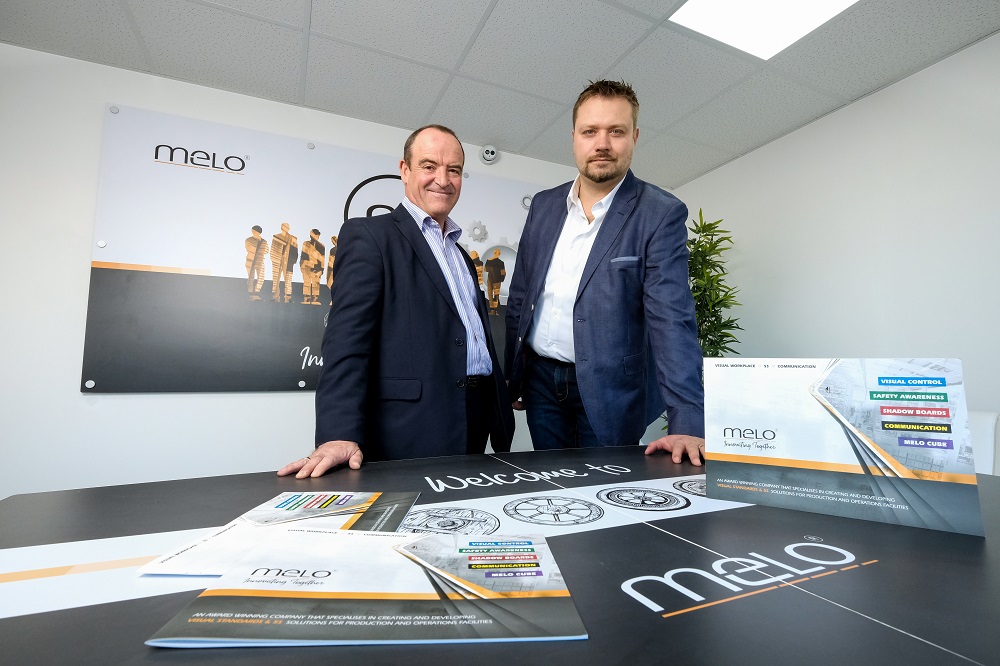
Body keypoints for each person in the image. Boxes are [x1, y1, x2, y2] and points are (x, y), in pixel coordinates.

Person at [279, 125, 514, 478]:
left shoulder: (463, 256)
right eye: (429, 166)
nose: (443, 179)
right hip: (412, 425)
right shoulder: (370, 236)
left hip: (477, 415)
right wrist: (338, 433)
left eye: (454, 170)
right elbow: (347, 342)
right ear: (404, 170)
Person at [504, 80, 706, 466]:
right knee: (553, 487)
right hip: (541, 383)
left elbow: (672, 319)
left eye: (616, 131)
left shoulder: (659, 213)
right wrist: (514, 376)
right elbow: (521, 296)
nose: (602, 143)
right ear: (574, 137)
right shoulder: (545, 206)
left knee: (606, 495)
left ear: (635, 137)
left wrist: (688, 419)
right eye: (590, 131)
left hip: (613, 389)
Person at [270, 222, 297, 303]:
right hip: (277, 260)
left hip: (288, 261)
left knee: (288, 279)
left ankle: (288, 297)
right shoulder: (276, 237)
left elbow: (295, 251)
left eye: (287, 227)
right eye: (284, 226)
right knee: (276, 279)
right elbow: (273, 249)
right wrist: (274, 259)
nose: (286, 228)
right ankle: (275, 297)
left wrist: (292, 262)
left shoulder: (293, 238)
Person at [300, 228, 325, 305]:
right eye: (315, 235)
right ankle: (306, 298)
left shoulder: (321, 246)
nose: (317, 237)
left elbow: (323, 259)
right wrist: (302, 265)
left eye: (318, 236)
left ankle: (315, 299)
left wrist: (321, 270)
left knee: (316, 283)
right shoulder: (306, 243)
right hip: (306, 265)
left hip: (317, 267)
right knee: (306, 282)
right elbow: (303, 255)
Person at [244, 225, 267, 300]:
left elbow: (267, 251)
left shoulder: (264, 241)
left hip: (260, 261)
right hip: (251, 260)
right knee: (251, 277)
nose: (252, 232)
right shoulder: (248, 240)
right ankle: (250, 294)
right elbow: (248, 249)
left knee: (261, 277)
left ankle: (256, 292)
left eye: (254, 230)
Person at [483, 248, 506, 314]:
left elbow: (485, 270)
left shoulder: (489, 260)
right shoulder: (501, 262)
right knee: (496, 295)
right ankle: (495, 310)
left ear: (494, 253)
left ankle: (492, 310)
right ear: (499, 254)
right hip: (497, 280)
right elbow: (503, 272)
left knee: (490, 294)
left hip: (490, 279)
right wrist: (502, 279)